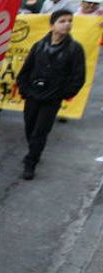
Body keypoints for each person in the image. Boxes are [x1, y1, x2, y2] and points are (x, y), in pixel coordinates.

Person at [16, 9, 85, 180]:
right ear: (52, 25)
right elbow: (25, 71)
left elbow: (78, 78)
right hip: (33, 96)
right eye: (62, 21)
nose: (67, 24)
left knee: (40, 131)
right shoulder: (39, 46)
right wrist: (26, 90)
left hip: (51, 100)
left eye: (69, 21)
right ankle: (34, 150)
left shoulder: (74, 49)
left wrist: (60, 94)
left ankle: (30, 162)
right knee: (30, 127)